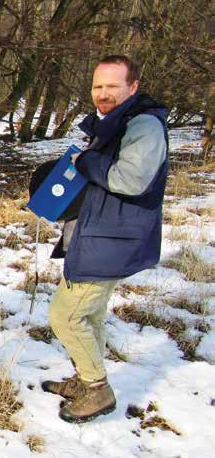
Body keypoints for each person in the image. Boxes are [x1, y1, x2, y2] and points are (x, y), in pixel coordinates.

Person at [41, 55, 169, 423]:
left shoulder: (143, 125)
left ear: (133, 87)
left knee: (66, 316)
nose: (104, 93)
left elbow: (130, 180)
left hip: (111, 238)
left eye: (113, 86)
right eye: (98, 86)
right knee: (90, 315)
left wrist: (85, 162)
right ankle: (86, 377)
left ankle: (96, 390)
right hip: (96, 233)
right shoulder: (114, 122)